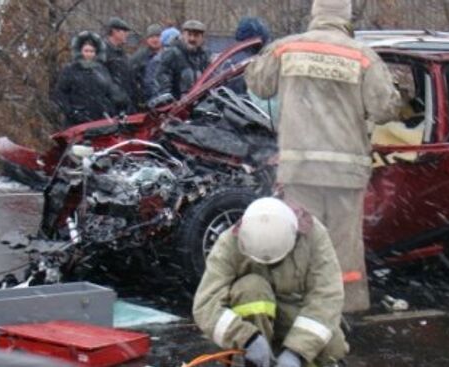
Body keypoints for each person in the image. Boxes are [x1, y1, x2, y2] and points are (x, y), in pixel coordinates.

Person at [245, 0, 400, 312]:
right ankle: (345, 310)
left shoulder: (286, 49)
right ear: (346, 18)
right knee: (344, 247)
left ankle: (301, 308)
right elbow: (386, 109)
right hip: (346, 171)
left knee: (302, 242)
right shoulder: (363, 56)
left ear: (314, 15)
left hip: (300, 169)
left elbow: (258, 85)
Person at [193, 197, 348, 367]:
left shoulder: (313, 235)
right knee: (250, 288)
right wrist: (246, 338)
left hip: (296, 310)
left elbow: (327, 297)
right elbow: (206, 305)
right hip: (252, 316)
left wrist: (297, 351)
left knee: (331, 348)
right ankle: (251, 361)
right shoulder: (230, 242)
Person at [54, 31, 127, 127]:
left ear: (96, 53)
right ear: (80, 51)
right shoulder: (70, 70)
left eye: (92, 51)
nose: (89, 54)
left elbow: (111, 91)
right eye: (86, 51)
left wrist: (120, 107)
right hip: (77, 119)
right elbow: (60, 93)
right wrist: (72, 112)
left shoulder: (102, 69)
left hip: (101, 118)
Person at [145, 20, 210, 100]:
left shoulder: (204, 56)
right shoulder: (172, 54)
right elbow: (161, 81)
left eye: (196, 36)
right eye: (189, 35)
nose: (192, 39)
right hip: (180, 107)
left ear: (202, 38)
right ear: (182, 35)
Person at [103, 17, 136, 113]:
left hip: (125, 104)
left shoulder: (122, 53)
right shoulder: (103, 52)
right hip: (111, 106)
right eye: (124, 31)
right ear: (114, 31)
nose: (126, 34)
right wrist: (117, 96)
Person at [130, 24, 163, 109]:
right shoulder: (139, 57)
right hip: (146, 101)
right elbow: (131, 79)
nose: (155, 39)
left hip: (165, 97)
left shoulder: (168, 54)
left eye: (158, 36)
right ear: (147, 39)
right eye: (152, 37)